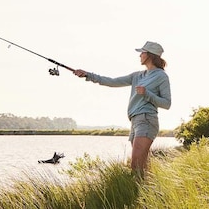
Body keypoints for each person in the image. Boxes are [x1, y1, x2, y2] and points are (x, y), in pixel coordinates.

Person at [73, 41, 171, 177]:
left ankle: (136, 193)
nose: (140, 56)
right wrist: (88, 75)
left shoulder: (161, 76)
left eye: (142, 53)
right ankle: (148, 194)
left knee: (135, 165)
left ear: (150, 55)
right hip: (135, 122)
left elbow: (167, 103)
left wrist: (147, 94)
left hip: (147, 120)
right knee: (141, 165)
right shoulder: (137, 75)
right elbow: (112, 81)